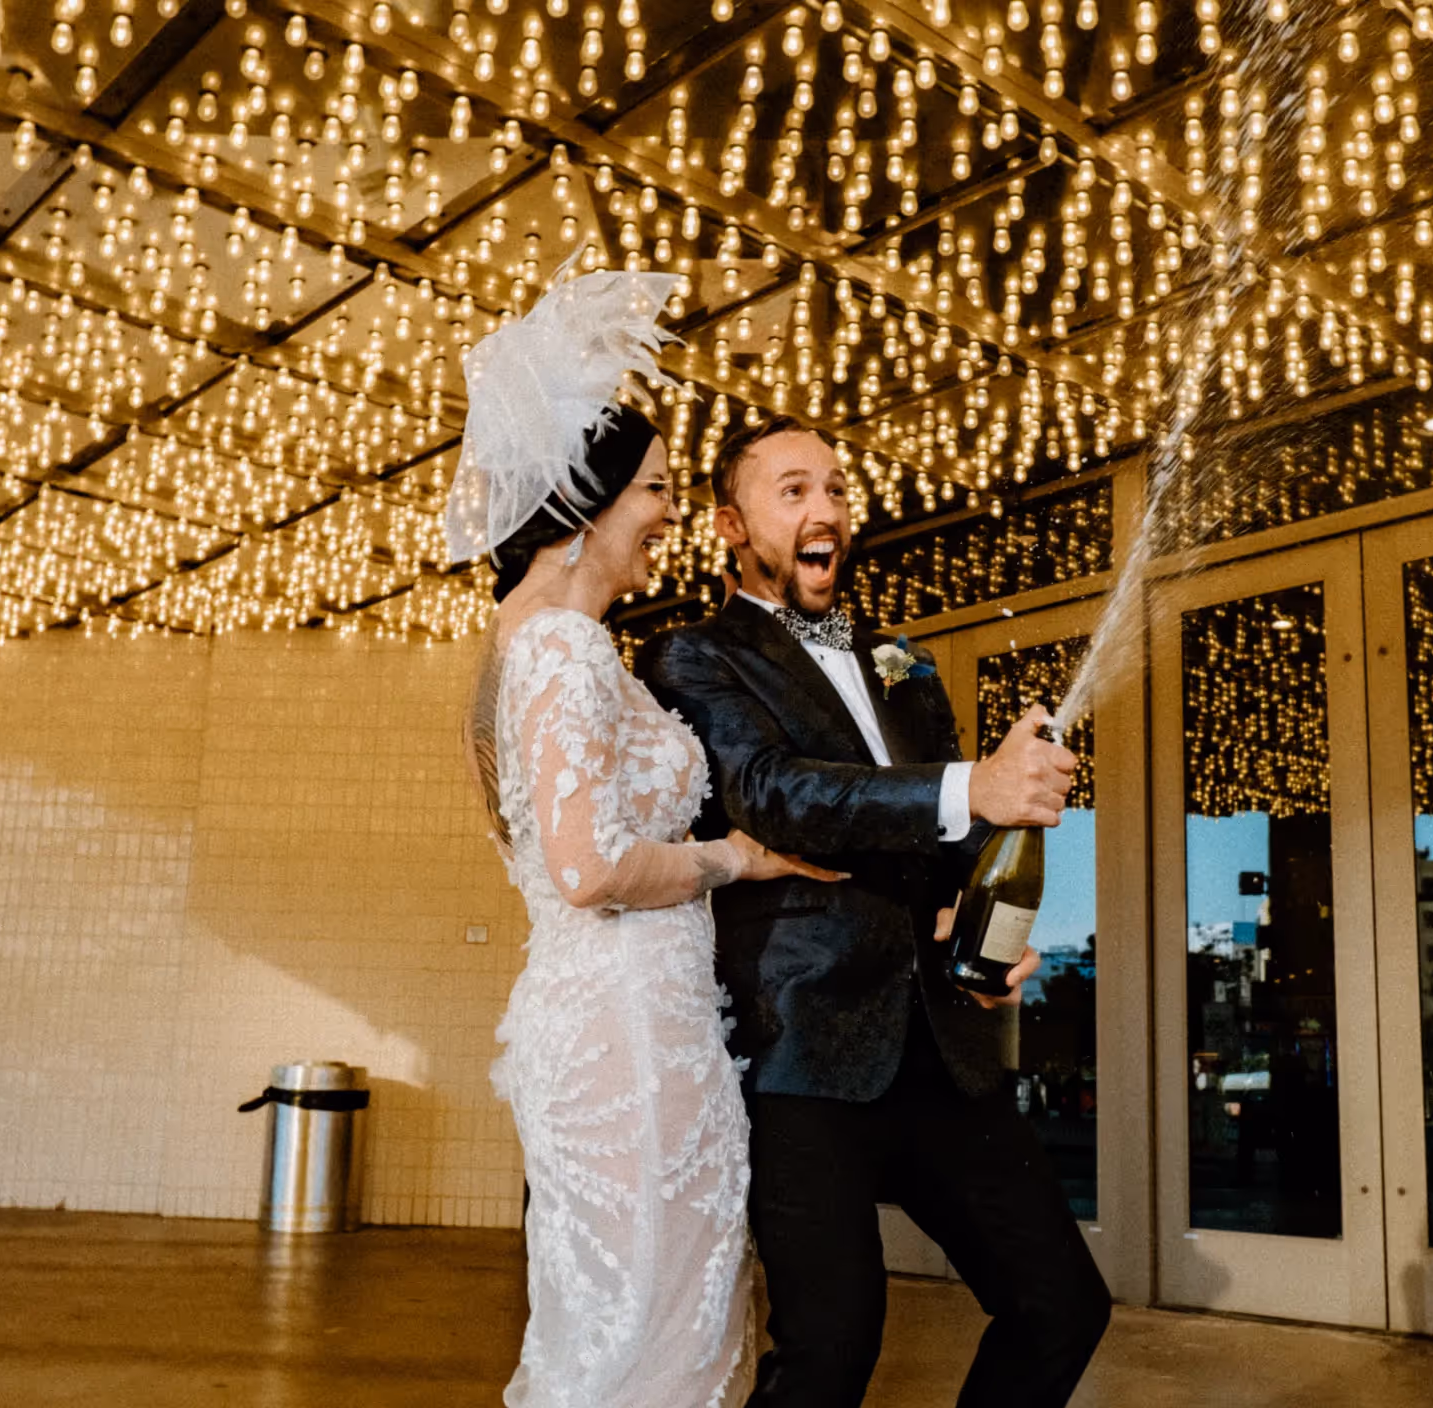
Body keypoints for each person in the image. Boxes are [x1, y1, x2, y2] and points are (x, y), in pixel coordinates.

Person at [638, 415, 1114, 1408]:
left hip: (938, 1037)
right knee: (832, 1350)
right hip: (798, 1046)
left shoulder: (902, 660)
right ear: (731, 523)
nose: (828, 512)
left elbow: (943, 828)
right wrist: (972, 788)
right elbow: (774, 794)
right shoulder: (692, 657)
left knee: (1062, 1303)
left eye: (840, 490)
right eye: (795, 490)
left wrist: (980, 912)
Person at [448, 269, 839, 1408]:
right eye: (659, 488)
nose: (669, 510)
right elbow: (586, 866)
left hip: (621, 1018)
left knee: (635, 1319)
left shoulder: (532, 646)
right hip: (627, 1032)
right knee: (648, 1335)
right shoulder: (564, 649)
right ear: (589, 501)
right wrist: (741, 858)